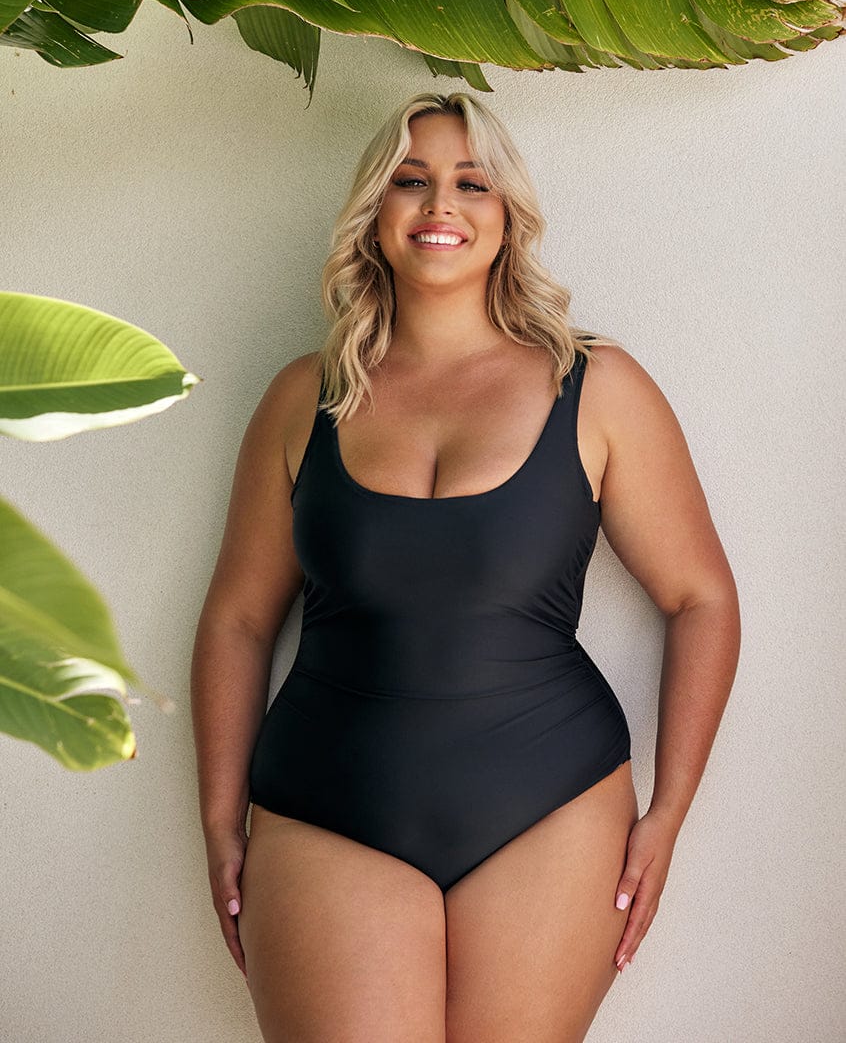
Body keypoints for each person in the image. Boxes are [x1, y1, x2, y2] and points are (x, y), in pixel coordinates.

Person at [191, 91, 741, 1043]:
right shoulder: (301, 398)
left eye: (470, 183)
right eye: (412, 181)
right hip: (326, 807)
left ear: (506, 215)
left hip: (550, 805)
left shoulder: (597, 384)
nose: (440, 206)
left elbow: (701, 597)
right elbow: (239, 619)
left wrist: (671, 811)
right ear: (375, 211)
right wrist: (216, 817)